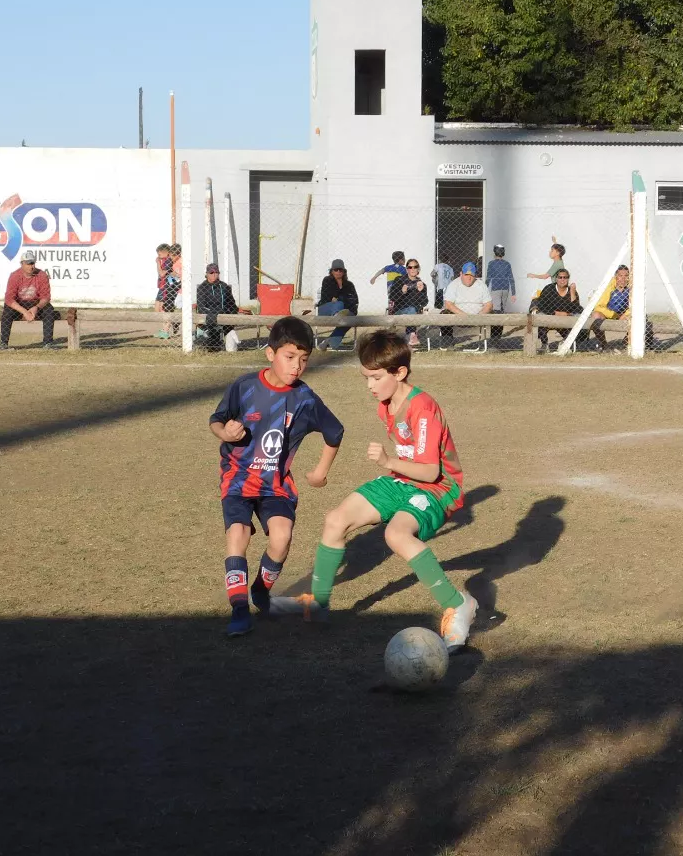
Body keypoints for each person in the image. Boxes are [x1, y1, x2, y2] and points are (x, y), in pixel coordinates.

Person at [269, 329, 477, 650]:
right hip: (403, 480)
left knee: (396, 535)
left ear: (400, 372)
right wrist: (393, 466)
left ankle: (457, 602)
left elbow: (430, 470)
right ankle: (318, 603)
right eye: (366, 377)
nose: (369, 386)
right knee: (336, 520)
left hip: (437, 488)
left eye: (376, 378)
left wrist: (387, 460)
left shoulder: (422, 408)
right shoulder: (386, 404)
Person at [208, 316, 344, 637]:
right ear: (270, 354)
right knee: (238, 534)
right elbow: (216, 420)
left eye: (304, 359)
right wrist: (225, 432)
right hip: (238, 479)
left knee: (281, 539)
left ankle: (259, 591)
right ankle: (240, 611)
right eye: (289, 357)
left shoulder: (305, 399)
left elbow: (335, 432)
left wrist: (321, 470)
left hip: (276, 484)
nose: (297, 366)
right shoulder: (244, 387)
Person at [0, 251, 59, 349]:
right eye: (28, 263)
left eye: (32, 263)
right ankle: (3, 343)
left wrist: (36, 307)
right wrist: (24, 312)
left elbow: (46, 297)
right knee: (7, 310)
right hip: (19, 304)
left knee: (49, 309)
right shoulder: (15, 276)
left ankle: (48, 343)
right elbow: (9, 299)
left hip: (34, 303)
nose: (31, 266)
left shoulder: (42, 275)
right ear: (22, 264)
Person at [442, 262, 491, 344]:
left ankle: (494, 343)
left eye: (471, 275)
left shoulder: (481, 285)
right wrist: (463, 315)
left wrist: (480, 315)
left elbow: (489, 304)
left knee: (498, 313)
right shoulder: (454, 284)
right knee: (444, 314)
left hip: (478, 317)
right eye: (466, 275)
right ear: (461, 274)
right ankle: (448, 341)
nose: (469, 278)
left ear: (475, 275)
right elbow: (448, 304)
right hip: (458, 317)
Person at [532, 269, 581, 349]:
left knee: (579, 317)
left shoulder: (572, 291)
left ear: (568, 279)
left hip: (566, 318)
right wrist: (556, 313)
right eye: (560, 277)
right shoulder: (549, 289)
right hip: (550, 316)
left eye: (565, 277)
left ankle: (567, 342)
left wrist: (572, 292)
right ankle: (544, 343)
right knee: (540, 315)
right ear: (556, 279)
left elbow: (576, 309)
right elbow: (542, 305)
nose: (562, 280)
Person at [317, 259, 360, 351]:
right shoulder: (327, 280)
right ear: (331, 271)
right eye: (336, 270)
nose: (338, 272)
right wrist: (341, 298)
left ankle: (330, 342)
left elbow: (355, 299)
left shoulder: (349, 284)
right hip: (326, 308)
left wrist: (338, 298)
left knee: (350, 317)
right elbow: (327, 297)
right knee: (339, 304)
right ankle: (338, 317)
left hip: (343, 310)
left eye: (341, 270)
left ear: (344, 271)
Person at [196, 262, 240, 352]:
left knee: (231, 350)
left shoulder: (224, 286)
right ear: (207, 274)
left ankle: (229, 339)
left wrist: (230, 313)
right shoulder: (202, 288)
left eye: (216, 272)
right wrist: (216, 313)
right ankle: (213, 340)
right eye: (211, 273)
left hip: (225, 316)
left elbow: (232, 304)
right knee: (213, 349)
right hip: (210, 317)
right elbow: (201, 307)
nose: (214, 275)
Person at [389, 257, 429, 349]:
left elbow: (424, 303)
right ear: (407, 269)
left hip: (416, 312)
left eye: (415, 267)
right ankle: (412, 336)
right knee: (411, 309)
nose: (413, 269)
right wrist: (402, 292)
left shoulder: (421, 284)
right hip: (400, 311)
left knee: (413, 309)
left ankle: (410, 337)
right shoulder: (399, 280)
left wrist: (420, 291)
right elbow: (392, 297)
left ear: (418, 269)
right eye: (410, 267)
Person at [485, 244, 516, 341]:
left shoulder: (491, 264)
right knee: (501, 311)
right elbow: (511, 278)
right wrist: (513, 293)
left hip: (496, 289)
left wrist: (485, 290)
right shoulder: (507, 264)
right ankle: (498, 334)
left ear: (494, 253)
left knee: (496, 311)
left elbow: (488, 278)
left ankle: (494, 335)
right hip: (505, 289)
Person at [152, 243, 173, 339]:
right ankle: (164, 329)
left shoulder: (168, 261)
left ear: (166, 253)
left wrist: (157, 263)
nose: (158, 257)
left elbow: (161, 274)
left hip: (166, 287)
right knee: (157, 309)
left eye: (159, 254)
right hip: (162, 287)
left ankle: (166, 330)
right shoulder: (164, 260)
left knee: (164, 309)